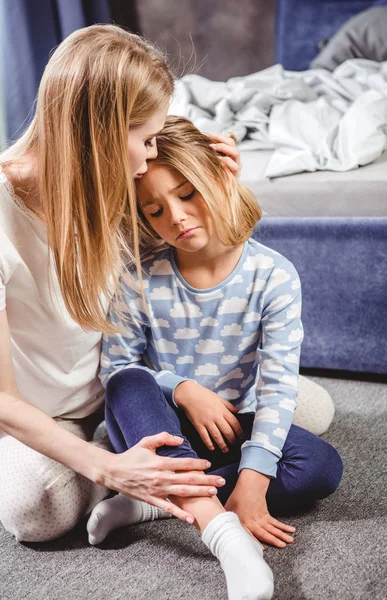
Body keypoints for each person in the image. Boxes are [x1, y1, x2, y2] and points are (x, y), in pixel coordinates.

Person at [0, 24, 248, 544]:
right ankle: (131, 466)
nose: (151, 157)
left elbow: (199, 256)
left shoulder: (116, 180)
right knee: (33, 511)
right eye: (146, 139)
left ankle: (148, 458)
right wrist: (108, 470)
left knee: (308, 412)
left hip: (135, 379)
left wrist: (217, 193)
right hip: (55, 414)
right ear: (104, 134)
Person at [87, 116, 343, 600]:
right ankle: (221, 533)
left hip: (225, 428)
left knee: (320, 465)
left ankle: (153, 502)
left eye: (187, 194)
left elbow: (278, 382)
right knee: (127, 384)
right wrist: (181, 388)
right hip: (154, 427)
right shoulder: (139, 276)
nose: (176, 217)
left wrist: (252, 480)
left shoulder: (274, 276)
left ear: (219, 178)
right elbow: (118, 369)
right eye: (155, 210)